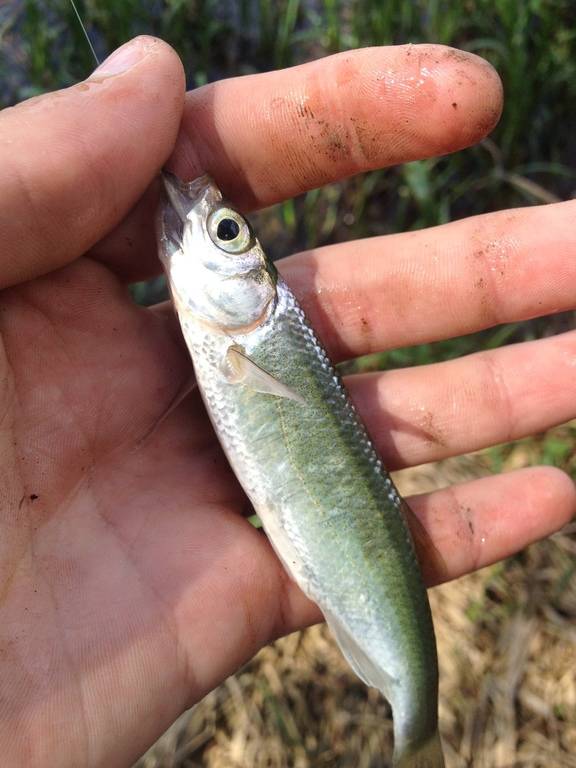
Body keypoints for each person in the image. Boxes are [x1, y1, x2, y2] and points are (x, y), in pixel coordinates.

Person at [0, 36, 574, 766]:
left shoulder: (252, 335)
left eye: (227, 233)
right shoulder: (240, 337)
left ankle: (416, 728)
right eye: (229, 233)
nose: (209, 230)